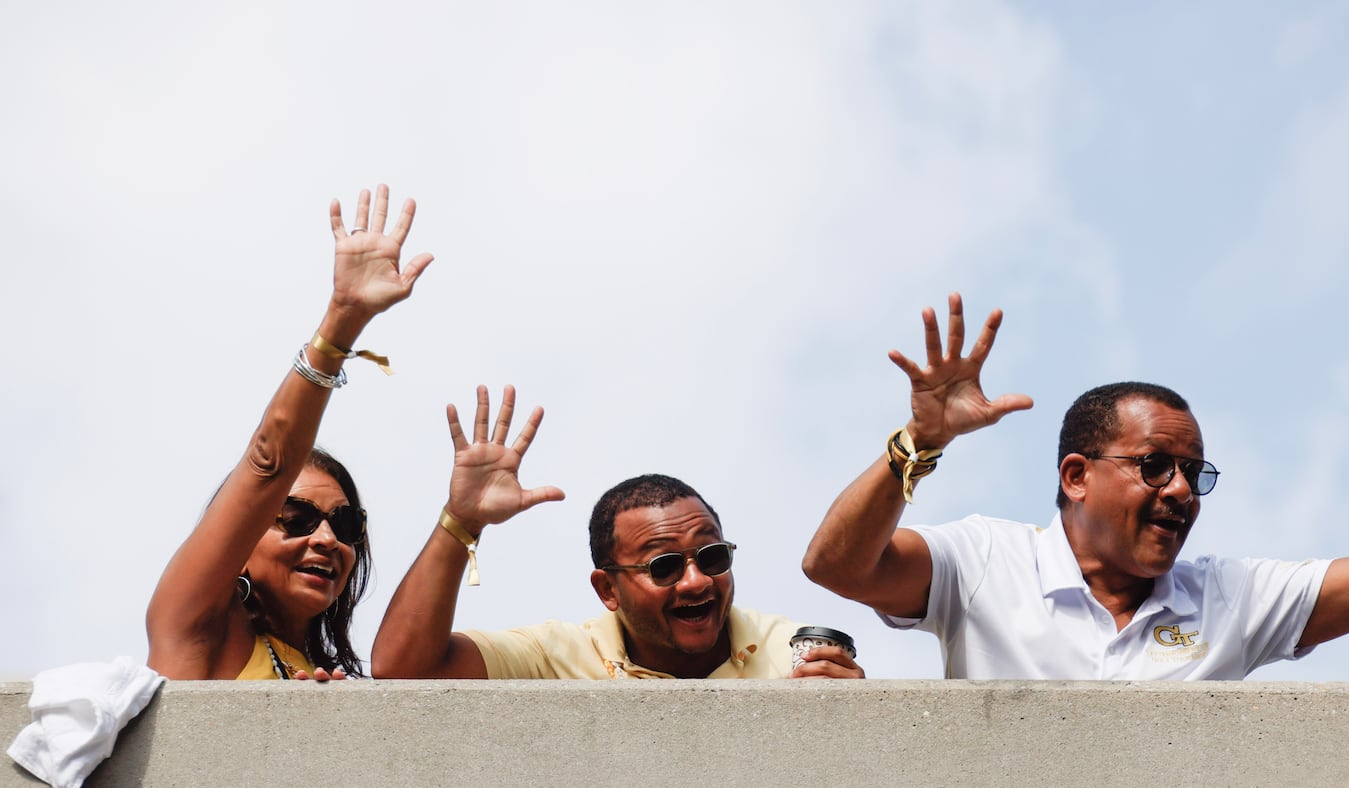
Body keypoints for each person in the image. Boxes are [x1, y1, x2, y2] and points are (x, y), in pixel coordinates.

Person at [802, 293, 1349, 680]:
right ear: (1076, 476)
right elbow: (837, 566)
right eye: (1155, 467)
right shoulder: (982, 564)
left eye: (1194, 472)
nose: (1182, 491)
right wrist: (921, 443)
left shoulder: (1228, 598)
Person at [370, 387, 866, 680]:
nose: (696, 582)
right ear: (607, 589)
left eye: (712, 556)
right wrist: (462, 522)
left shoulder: (784, 652)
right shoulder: (561, 658)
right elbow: (402, 667)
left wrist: (850, 704)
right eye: (664, 566)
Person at [146, 185, 432, 680]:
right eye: (297, 517)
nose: (326, 539)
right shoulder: (195, 625)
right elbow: (267, 464)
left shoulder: (332, 681)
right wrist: (343, 322)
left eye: (346, 526)